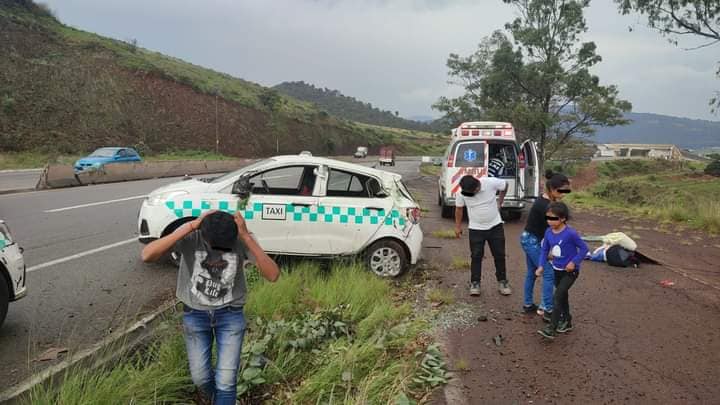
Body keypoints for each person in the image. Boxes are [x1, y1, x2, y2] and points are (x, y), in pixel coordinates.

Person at [141, 210, 280, 404]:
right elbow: (147, 255)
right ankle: (219, 398)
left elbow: (273, 275)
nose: (220, 252)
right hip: (195, 315)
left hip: (230, 315)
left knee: (226, 382)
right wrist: (190, 226)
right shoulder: (192, 236)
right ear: (203, 236)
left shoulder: (240, 237)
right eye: (214, 247)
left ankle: (224, 397)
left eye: (225, 248)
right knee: (200, 377)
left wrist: (246, 236)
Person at [520, 171, 571, 320]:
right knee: (548, 272)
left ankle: (528, 305)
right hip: (533, 242)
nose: (563, 194)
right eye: (561, 191)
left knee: (532, 272)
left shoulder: (544, 200)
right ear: (553, 189)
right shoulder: (547, 206)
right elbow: (552, 231)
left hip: (528, 238)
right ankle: (546, 309)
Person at [536, 202, 588, 340]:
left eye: (553, 218)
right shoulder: (548, 232)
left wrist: (573, 262)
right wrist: (541, 265)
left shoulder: (570, 233)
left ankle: (551, 328)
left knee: (557, 296)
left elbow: (584, 249)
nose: (550, 221)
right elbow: (545, 250)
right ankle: (567, 321)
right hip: (556, 270)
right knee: (562, 296)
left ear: (563, 218)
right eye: (548, 218)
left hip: (570, 272)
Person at [454, 175, 512, 296]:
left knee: (499, 254)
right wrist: (458, 227)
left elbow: (505, 185)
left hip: (495, 226)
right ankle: (475, 282)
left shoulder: (489, 182)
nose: (475, 193)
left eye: (476, 190)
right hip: (476, 229)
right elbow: (459, 210)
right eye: (472, 192)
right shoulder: (462, 194)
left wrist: (500, 201)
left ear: (478, 184)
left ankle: (503, 281)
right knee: (476, 256)